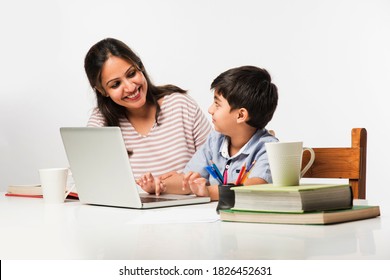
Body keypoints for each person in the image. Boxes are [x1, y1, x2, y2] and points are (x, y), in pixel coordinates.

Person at [84, 38, 212, 194]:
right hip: (130, 216)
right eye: (115, 84)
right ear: (102, 90)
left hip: (190, 211)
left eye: (131, 74)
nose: (130, 87)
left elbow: (215, 168)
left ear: (140, 68)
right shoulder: (101, 122)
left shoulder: (180, 105)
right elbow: (91, 181)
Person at [141, 65, 279, 200]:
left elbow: (254, 187)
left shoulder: (268, 148)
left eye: (217, 104)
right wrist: (159, 185)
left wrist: (207, 191)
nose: (210, 109)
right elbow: (188, 181)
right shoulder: (215, 140)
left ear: (241, 115)